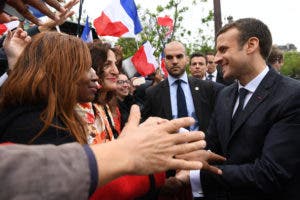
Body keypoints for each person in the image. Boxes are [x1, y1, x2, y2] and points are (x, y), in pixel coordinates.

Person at [182, 18, 300, 200]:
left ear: (251, 45)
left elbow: (270, 174)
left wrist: (195, 176)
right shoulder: (224, 95)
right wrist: (185, 155)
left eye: (223, 49)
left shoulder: (292, 95)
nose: (217, 58)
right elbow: (212, 148)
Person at [143, 41, 223, 133]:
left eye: (179, 56)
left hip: (200, 145)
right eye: (169, 57)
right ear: (164, 61)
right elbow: (147, 126)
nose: (175, 61)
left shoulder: (207, 87)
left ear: (187, 59)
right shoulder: (153, 93)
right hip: (169, 146)